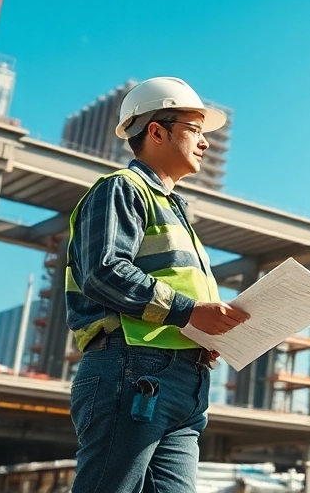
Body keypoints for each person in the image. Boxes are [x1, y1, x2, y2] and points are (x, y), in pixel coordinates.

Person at [66, 77, 251, 493]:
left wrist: (204, 331)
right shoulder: (121, 189)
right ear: (156, 131)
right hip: (132, 369)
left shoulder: (176, 211)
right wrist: (189, 312)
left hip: (184, 380)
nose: (205, 143)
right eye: (195, 130)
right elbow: (103, 270)